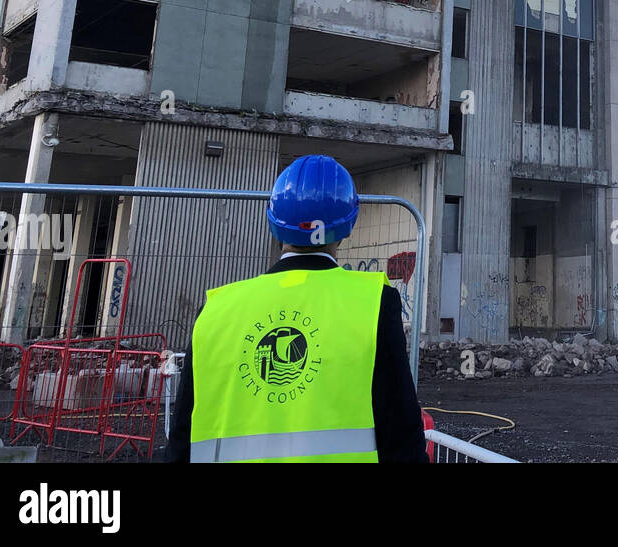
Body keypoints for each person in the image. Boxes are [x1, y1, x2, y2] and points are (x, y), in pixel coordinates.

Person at [167, 155, 428, 462]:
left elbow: (182, 438)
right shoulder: (375, 303)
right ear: (348, 226)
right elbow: (401, 434)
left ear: (274, 225)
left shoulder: (215, 311)